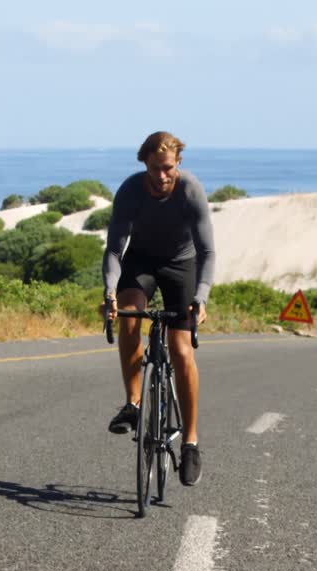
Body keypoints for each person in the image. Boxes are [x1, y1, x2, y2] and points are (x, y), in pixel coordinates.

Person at [102, 131, 215, 487]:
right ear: (144, 164)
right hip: (141, 263)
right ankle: (133, 404)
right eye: (154, 169)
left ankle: (192, 443)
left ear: (177, 163)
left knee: (182, 351)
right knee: (130, 319)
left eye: (167, 168)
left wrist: (202, 297)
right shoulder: (131, 191)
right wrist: (110, 293)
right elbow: (115, 250)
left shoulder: (191, 191)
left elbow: (208, 252)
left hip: (182, 265)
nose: (161, 176)